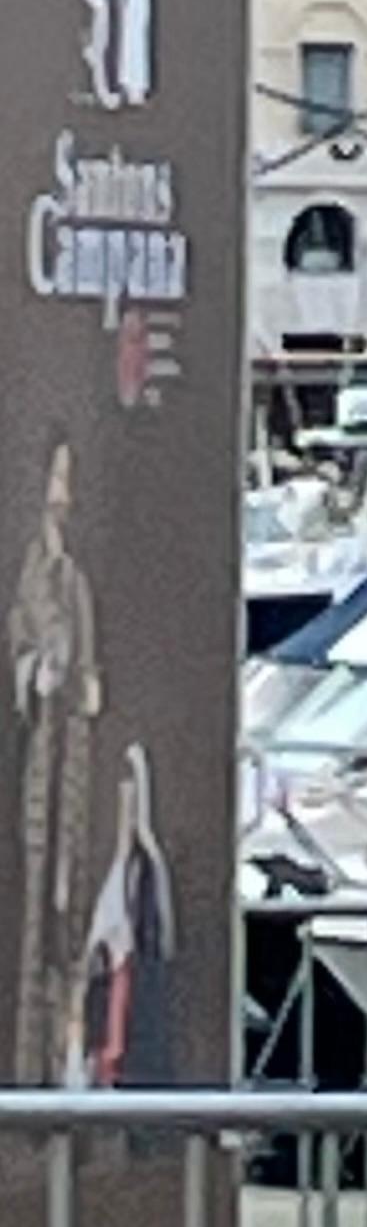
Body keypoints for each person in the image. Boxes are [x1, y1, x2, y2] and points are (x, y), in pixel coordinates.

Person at [9, 440, 104, 1084]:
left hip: (77, 757)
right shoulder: (35, 572)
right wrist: (33, 677)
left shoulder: (75, 574)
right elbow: (25, 643)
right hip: (40, 754)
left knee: (73, 905)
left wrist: (83, 683)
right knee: (40, 903)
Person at [74, 744, 177, 1090]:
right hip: (124, 960)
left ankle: (135, 787)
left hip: (119, 960)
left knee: (132, 851)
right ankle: (135, 786)